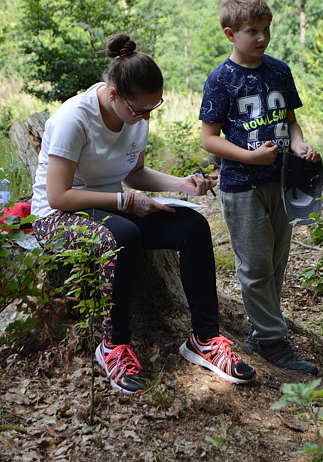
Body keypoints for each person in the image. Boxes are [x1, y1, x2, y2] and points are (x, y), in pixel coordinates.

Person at [31, 32, 256, 394]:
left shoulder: (138, 114)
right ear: (114, 94)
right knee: (124, 235)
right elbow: (58, 195)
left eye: (153, 109)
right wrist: (126, 202)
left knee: (192, 226)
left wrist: (183, 185)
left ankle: (204, 339)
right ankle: (113, 344)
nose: (144, 118)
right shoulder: (74, 118)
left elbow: (134, 173)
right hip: (57, 217)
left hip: (111, 205)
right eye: (138, 111)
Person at [199, 0, 320, 374]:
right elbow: (209, 138)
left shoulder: (279, 70)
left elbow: (291, 121)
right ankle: (272, 340)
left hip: (281, 180)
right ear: (230, 34)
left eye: (266, 29)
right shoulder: (221, 79)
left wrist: (300, 146)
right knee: (254, 265)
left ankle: (260, 331)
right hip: (242, 185)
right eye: (253, 31)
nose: (262, 38)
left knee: (276, 262)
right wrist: (249, 156)